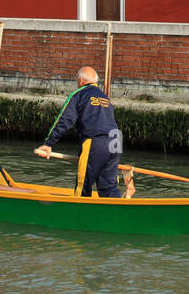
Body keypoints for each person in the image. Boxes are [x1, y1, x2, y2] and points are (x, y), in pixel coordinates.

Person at [36, 66, 125, 198]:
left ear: (81, 80)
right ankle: (117, 211)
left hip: (96, 141)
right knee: (110, 187)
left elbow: (64, 120)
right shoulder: (105, 98)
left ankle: (78, 214)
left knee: (83, 186)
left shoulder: (79, 94)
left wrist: (49, 143)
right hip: (116, 141)